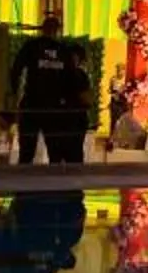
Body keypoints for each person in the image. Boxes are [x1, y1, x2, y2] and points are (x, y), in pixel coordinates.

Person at [7, 18, 93, 169]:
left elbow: (16, 70)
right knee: (54, 149)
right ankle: (54, 183)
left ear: (42, 29)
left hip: (32, 103)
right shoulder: (63, 50)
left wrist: (14, 94)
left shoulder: (31, 47)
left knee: (27, 150)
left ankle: (22, 182)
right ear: (58, 30)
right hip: (54, 107)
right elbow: (71, 79)